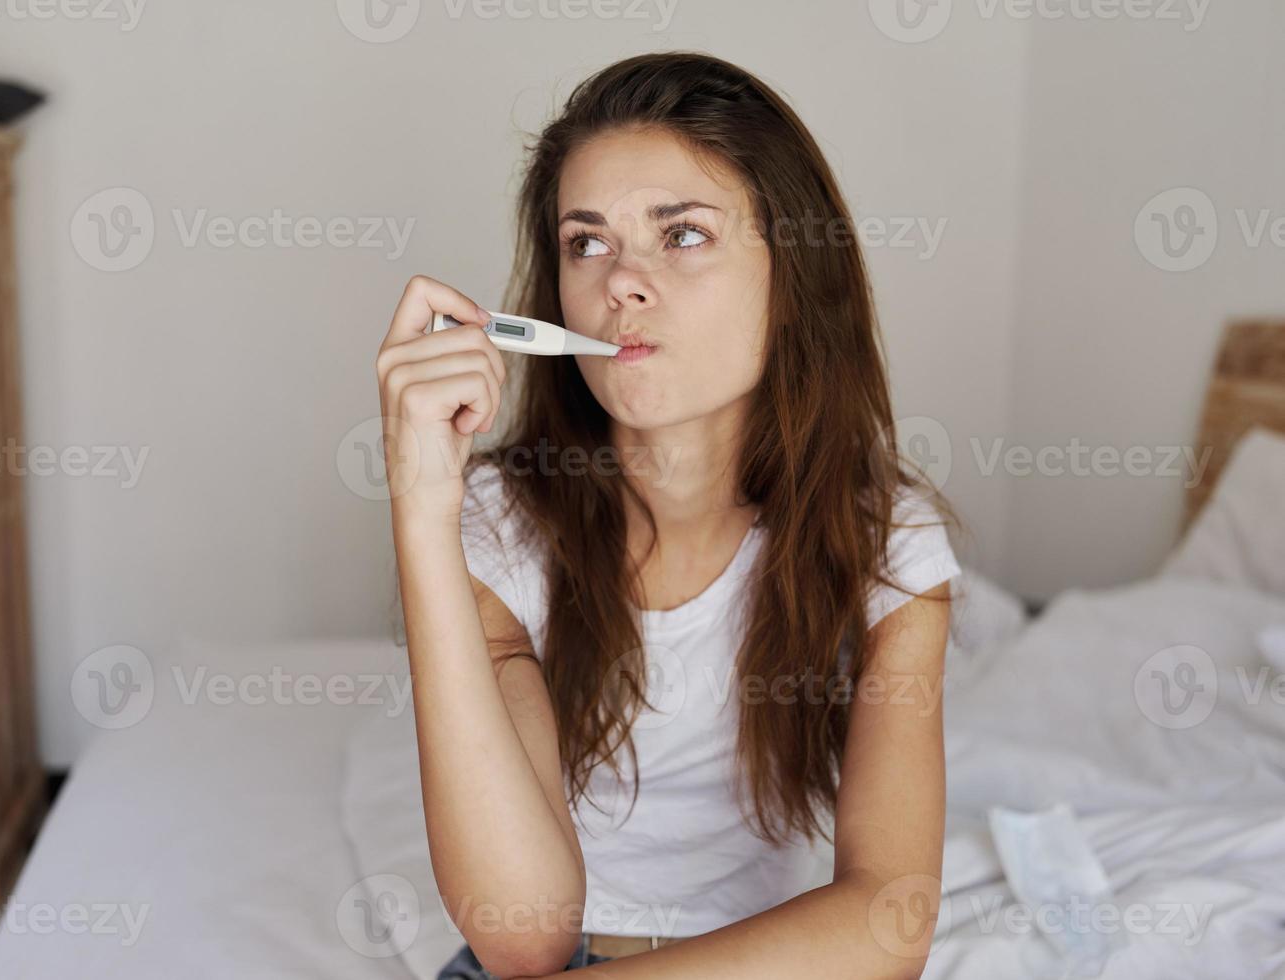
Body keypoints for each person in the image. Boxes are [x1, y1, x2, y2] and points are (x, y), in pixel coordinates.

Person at [375, 51, 964, 980]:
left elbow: (889, 925)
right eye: (587, 242)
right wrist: (418, 506)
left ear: (793, 266)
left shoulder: (887, 543)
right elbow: (523, 931)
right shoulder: (495, 529)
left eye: (682, 234)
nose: (621, 282)